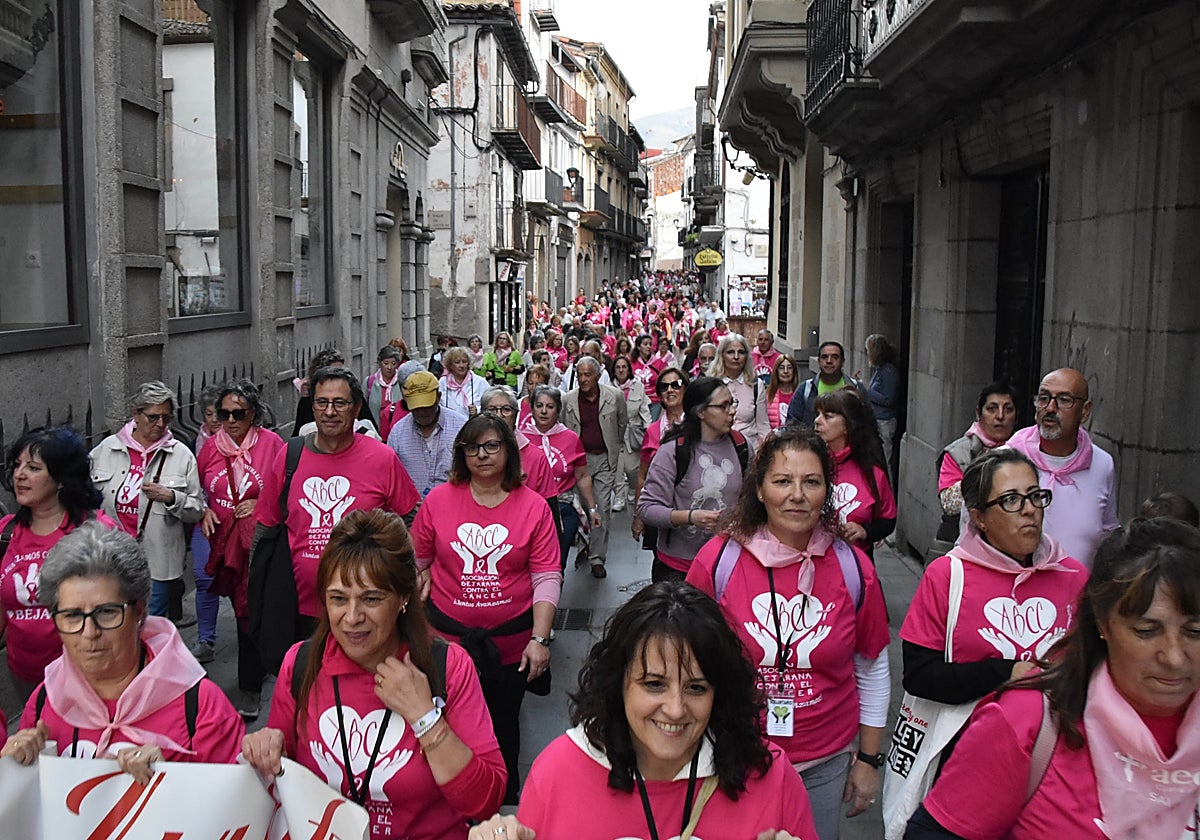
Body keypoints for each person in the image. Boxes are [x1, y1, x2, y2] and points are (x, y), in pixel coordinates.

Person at [907, 517, 1200, 839]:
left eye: (1195, 632)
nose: (1173, 657)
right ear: (1101, 622)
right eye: (1146, 631)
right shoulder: (1029, 721)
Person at [468, 581, 818, 840]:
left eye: (696, 688)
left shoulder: (770, 777)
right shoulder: (558, 772)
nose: (676, 709)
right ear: (618, 683)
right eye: (654, 684)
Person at [242, 510, 506, 839]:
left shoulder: (448, 666)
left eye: (371, 598)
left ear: (404, 598)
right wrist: (264, 748)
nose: (352, 617)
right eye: (338, 598)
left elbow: (484, 801)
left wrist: (425, 717)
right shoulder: (300, 663)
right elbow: (280, 777)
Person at [686, 427, 891, 840]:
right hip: (732, 756)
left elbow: (872, 669)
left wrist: (869, 760)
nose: (796, 494)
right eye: (782, 481)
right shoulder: (719, 561)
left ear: (826, 492)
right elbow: (684, 659)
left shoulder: (854, 569)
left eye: (811, 482)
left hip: (823, 763)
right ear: (759, 490)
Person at [894, 449, 1088, 827]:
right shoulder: (946, 576)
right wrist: (1004, 674)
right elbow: (919, 675)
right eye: (1012, 500)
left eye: (1035, 496)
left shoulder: (1074, 576)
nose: (1030, 509)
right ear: (980, 518)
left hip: (1054, 766)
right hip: (968, 763)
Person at [0, 522, 244, 777]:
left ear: (139, 611)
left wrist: (173, 782)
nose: (89, 632)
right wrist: (14, 767)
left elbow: (237, 806)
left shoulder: (200, 706)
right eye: (72, 615)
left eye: (106, 612)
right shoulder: (45, 700)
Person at [411, 413, 561, 805]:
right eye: (472, 447)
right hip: (444, 645)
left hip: (509, 649)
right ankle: (445, 804)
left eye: (492, 446)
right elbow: (417, 560)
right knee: (441, 726)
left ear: (509, 452)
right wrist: (418, 577)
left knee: (502, 727)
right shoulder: (439, 501)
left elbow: (546, 575)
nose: (482, 455)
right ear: (461, 454)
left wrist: (540, 639)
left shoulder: (534, 508)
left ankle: (501, 803)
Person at [254, 367, 421, 691]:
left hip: (366, 613)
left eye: (340, 403)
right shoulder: (288, 457)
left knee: (364, 697)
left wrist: (408, 579)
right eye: (322, 402)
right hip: (302, 612)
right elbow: (266, 525)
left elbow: (412, 520)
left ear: (357, 408)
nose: (330, 412)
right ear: (312, 405)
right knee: (305, 695)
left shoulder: (382, 459)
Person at [196, 379, 286, 713]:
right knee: (239, 607)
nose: (231, 420)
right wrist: (203, 509)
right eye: (224, 413)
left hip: (260, 543)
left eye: (239, 413)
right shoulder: (209, 448)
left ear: (253, 415)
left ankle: (250, 683)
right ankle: (259, 663)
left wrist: (260, 503)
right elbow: (198, 489)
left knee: (253, 606)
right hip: (222, 541)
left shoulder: (272, 444)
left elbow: (285, 489)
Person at [0, 426, 108, 701]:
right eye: (17, 465)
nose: (20, 474)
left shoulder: (96, 532)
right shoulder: (5, 534)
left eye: (34, 468)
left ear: (61, 479)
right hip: (25, 678)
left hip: (87, 676)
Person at [91, 380, 204, 622]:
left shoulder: (181, 455)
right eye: (153, 417)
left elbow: (196, 509)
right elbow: (85, 502)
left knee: (149, 624)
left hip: (158, 560)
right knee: (114, 621)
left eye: (166, 417)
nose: (160, 424)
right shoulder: (106, 450)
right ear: (136, 414)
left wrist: (172, 497)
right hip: (112, 558)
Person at [638, 377, 747, 583]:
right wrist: (689, 517)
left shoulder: (742, 446)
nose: (732, 411)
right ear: (701, 412)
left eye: (732, 403)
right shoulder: (673, 452)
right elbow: (646, 508)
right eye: (723, 406)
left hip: (728, 562)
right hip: (678, 567)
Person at [1006, 367, 1118, 566]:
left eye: (1064, 400)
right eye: (1044, 398)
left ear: (1085, 411)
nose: (1050, 408)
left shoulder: (1102, 465)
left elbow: (1108, 538)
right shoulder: (1007, 460)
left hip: (1079, 593)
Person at [522, 384, 602, 571]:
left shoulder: (570, 438)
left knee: (557, 564)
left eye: (550, 407)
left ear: (558, 410)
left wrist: (592, 510)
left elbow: (582, 476)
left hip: (562, 509)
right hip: (529, 510)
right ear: (532, 408)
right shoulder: (520, 438)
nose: (543, 411)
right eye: (539, 405)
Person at [562, 356, 628, 579]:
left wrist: (614, 451)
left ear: (598, 376)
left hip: (604, 460)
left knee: (600, 508)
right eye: (579, 374)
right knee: (580, 508)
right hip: (579, 462)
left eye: (587, 374)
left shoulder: (614, 396)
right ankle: (583, 547)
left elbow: (622, 424)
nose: (583, 379)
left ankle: (597, 557)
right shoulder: (568, 400)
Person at [813, 388, 896, 559]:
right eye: (818, 414)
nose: (817, 421)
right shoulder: (809, 463)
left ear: (847, 425)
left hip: (857, 565)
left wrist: (865, 530)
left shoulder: (872, 471)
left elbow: (888, 520)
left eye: (827, 416)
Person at [934, 382, 1018, 545]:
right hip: (963, 543)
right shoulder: (958, 452)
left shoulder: (1026, 451)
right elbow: (949, 505)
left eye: (1008, 410)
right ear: (979, 413)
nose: (1000, 416)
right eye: (992, 409)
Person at [388, 371, 468, 500]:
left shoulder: (461, 427)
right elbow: (391, 479)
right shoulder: (398, 433)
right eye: (416, 407)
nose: (422, 412)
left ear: (438, 397)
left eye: (427, 406)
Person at [190, 383, 224, 660]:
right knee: (203, 577)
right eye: (209, 414)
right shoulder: (196, 444)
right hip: (205, 518)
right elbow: (190, 485)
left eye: (219, 414)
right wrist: (202, 507)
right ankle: (206, 639)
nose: (214, 420)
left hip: (236, 519)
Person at [708, 334, 770, 453]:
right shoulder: (711, 383)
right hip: (717, 450)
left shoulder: (756, 385)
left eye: (741, 352)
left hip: (749, 451)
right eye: (731, 352)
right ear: (722, 355)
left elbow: (763, 425)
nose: (736, 357)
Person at [787, 341, 870, 427]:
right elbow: (792, 424)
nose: (829, 361)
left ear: (842, 362)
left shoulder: (857, 388)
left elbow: (869, 423)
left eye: (835, 357)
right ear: (819, 361)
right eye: (824, 357)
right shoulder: (805, 389)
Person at [611, 355, 651, 513]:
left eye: (624, 367)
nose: (621, 370)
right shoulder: (608, 387)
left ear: (629, 369)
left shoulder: (638, 386)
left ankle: (634, 489)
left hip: (632, 432)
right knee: (617, 468)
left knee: (632, 468)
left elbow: (644, 410)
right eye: (618, 367)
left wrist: (649, 430)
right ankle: (619, 497)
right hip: (614, 433)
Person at [865, 334, 900, 476]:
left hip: (885, 422)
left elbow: (889, 399)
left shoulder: (889, 372)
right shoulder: (879, 370)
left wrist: (867, 391)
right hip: (877, 420)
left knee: (885, 461)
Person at [365, 344, 405, 441]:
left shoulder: (401, 383)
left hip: (397, 433)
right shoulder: (369, 382)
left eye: (393, 363)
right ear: (380, 363)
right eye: (386, 363)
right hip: (375, 433)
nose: (389, 367)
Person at [438, 347, 490, 417]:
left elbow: (491, 404)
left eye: (464, 362)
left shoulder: (479, 382)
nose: (461, 366)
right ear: (450, 365)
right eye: (457, 362)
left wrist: (478, 410)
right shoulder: (443, 382)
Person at [631, 333, 667, 421]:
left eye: (650, 344)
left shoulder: (659, 362)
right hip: (637, 401)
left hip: (654, 401)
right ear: (639, 347)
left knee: (650, 427)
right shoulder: (631, 363)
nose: (648, 347)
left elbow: (665, 380)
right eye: (645, 344)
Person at [768, 355, 799, 430]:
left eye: (789, 368)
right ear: (776, 371)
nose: (785, 371)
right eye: (781, 368)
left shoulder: (800, 394)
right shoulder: (768, 395)